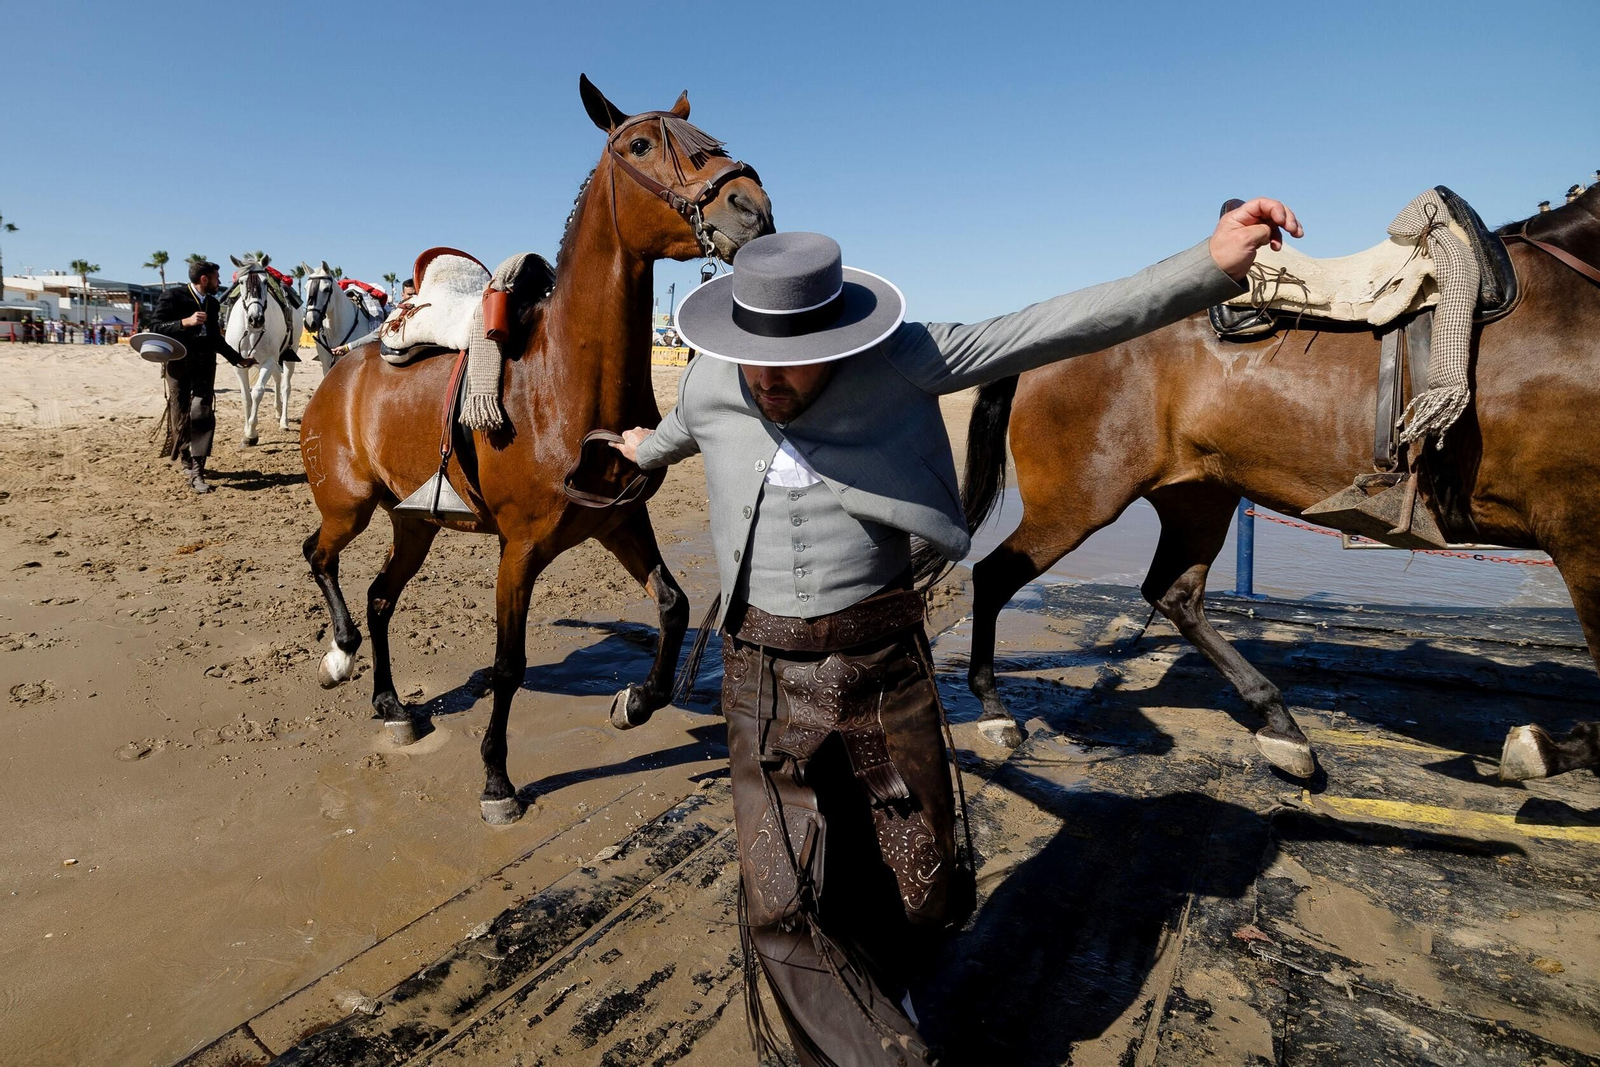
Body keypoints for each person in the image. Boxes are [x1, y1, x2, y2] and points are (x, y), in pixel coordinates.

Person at [610, 199, 1302, 1066]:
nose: (767, 380)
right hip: (756, 667)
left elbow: (1049, 327)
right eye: (756, 360)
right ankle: (888, 1052)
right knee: (778, 897)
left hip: (878, 660)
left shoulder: (906, 360)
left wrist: (1207, 264)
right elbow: (671, 437)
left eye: (791, 363)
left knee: (919, 878)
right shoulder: (712, 379)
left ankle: (882, 981)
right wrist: (634, 449)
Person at [152, 259, 256, 493]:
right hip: (177, 364)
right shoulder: (173, 296)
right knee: (179, 414)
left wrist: (238, 359)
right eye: (217, 278)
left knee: (202, 412)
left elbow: (215, 339)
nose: (219, 282)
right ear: (204, 279)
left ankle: (198, 470)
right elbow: (155, 328)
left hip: (205, 365)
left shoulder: (212, 303)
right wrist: (183, 323)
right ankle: (185, 457)